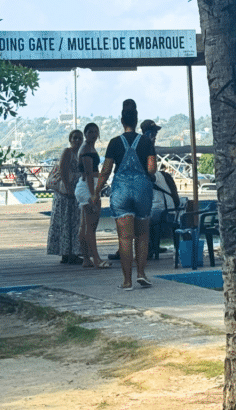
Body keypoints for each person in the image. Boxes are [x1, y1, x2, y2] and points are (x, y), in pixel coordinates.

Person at [95, 100, 157, 290]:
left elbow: (105, 170)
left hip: (121, 191)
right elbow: (152, 169)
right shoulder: (146, 141)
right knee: (142, 235)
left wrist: (96, 192)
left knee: (124, 238)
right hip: (141, 190)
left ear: (122, 121)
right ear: (137, 120)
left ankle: (127, 281)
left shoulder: (114, 143)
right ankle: (142, 273)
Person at [141, 119, 181, 256]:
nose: (155, 135)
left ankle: (146, 250)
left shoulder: (153, 174)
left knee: (138, 217)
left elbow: (149, 175)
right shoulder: (148, 147)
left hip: (162, 209)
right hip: (166, 207)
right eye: (154, 132)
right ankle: (152, 247)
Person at [46, 130, 83, 264]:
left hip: (71, 193)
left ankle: (68, 253)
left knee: (69, 224)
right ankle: (69, 254)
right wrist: (68, 188)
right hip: (66, 195)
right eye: (75, 138)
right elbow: (63, 169)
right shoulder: (68, 152)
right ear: (70, 139)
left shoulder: (79, 154)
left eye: (79, 138)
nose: (77, 140)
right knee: (67, 223)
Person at [76, 123, 109, 268]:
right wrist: (94, 195)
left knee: (84, 225)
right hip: (89, 187)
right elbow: (89, 174)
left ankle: (86, 259)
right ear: (85, 133)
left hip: (86, 186)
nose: (93, 135)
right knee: (91, 225)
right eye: (90, 132)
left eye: (96, 132)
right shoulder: (87, 150)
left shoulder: (88, 148)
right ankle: (96, 259)